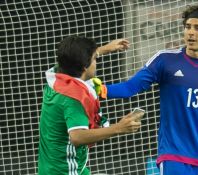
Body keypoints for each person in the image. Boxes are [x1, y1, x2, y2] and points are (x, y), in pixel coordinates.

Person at [98, 5, 198, 175]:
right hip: (174, 156)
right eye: (187, 27)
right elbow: (130, 87)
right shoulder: (164, 60)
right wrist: (101, 90)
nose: (191, 32)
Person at [38, 36, 143, 175]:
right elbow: (77, 137)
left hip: (57, 167)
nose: (96, 62)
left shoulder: (57, 77)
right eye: (94, 58)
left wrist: (104, 49)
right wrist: (119, 128)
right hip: (65, 170)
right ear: (84, 66)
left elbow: (71, 56)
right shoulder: (73, 99)